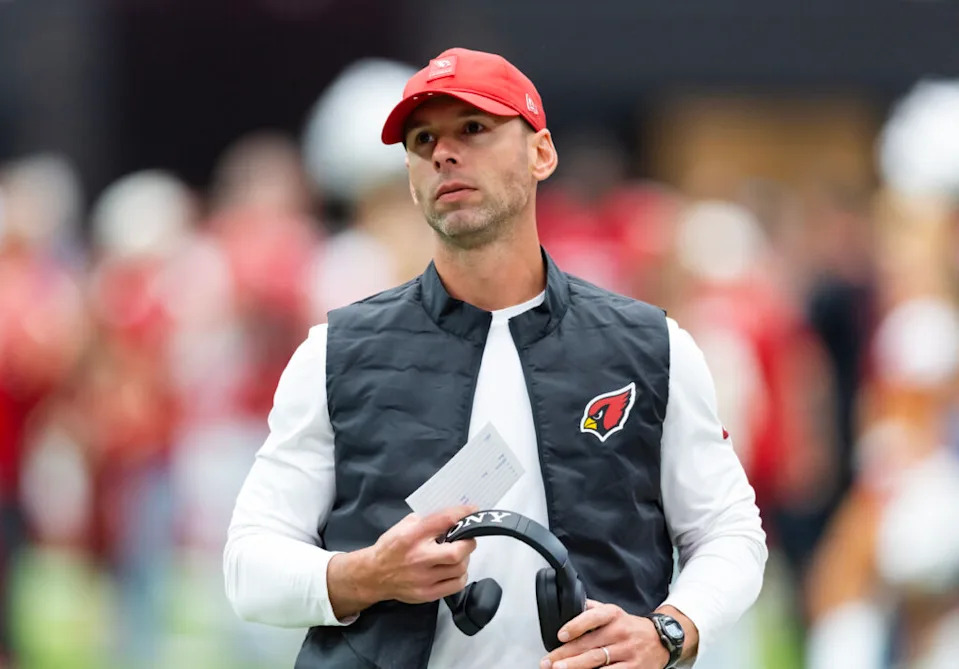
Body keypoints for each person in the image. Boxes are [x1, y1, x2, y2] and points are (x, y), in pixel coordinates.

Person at [224, 47, 767, 669]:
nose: (444, 153)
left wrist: (669, 631)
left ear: (542, 153)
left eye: (474, 129)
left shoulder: (652, 346)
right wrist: (367, 574)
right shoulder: (334, 353)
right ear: (409, 176)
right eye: (423, 139)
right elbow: (249, 566)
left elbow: (730, 533)